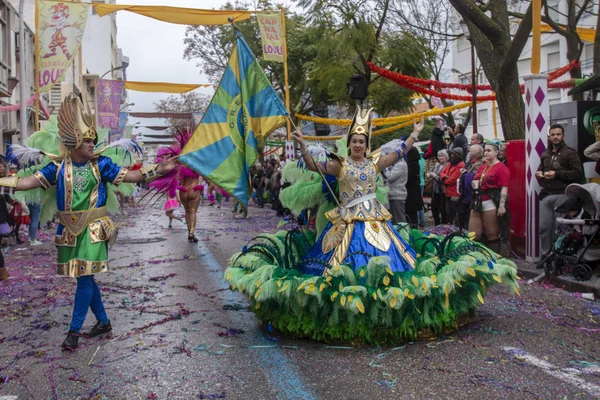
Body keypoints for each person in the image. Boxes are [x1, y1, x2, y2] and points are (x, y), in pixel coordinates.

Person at [224, 106, 519, 344]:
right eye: (354, 141)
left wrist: (415, 133)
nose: (356, 145)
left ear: (366, 144)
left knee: (391, 261)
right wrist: (302, 145)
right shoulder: (340, 163)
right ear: (349, 142)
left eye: (361, 141)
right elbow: (315, 166)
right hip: (346, 221)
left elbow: (399, 152)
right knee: (337, 263)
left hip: (376, 221)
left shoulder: (374, 162)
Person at [0, 94, 177, 350]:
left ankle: (73, 332)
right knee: (85, 279)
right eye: (87, 140)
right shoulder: (58, 168)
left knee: (84, 280)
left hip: (94, 230)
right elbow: (27, 182)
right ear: (73, 142)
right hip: (68, 231)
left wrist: (157, 170)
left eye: (93, 140)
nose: (92, 143)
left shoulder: (101, 165)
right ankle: (103, 322)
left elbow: (134, 176)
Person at [536, 124, 583, 259]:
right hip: (546, 194)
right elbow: (541, 170)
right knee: (544, 228)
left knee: (558, 229)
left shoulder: (570, 152)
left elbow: (577, 173)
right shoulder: (545, 153)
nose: (555, 137)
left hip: (563, 194)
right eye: (553, 134)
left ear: (563, 136)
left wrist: (556, 174)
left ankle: (558, 259)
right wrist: (540, 174)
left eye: (558, 134)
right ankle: (545, 258)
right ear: (549, 136)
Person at [469, 143, 510, 254]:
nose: (486, 153)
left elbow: (504, 188)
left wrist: (502, 205)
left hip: (491, 201)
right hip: (477, 200)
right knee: (474, 233)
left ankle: (494, 259)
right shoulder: (483, 166)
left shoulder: (501, 167)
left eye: (489, 150)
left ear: (496, 152)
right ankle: (477, 258)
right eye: (485, 150)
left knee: (492, 234)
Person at [458, 144, 484, 230]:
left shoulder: (478, 164)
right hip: (466, 194)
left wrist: (465, 174)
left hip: (471, 195)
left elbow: (474, 177)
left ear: (476, 154)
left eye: (471, 151)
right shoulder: (471, 163)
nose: (469, 152)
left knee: (466, 217)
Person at [440, 147, 465, 225]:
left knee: (453, 214)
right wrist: (444, 177)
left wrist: (444, 180)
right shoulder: (450, 163)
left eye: (454, 154)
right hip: (447, 192)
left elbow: (452, 180)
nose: (451, 156)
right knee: (448, 212)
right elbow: (441, 173)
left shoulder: (460, 165)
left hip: (454, 194)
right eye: (451, 154)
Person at [381, 157, 407, 224]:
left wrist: (383, 167)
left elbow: (390, 177)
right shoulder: (397, 164)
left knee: (399, 221)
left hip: (397, 195)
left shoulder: (400, 165)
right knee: (395, 221)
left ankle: (403, 234)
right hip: (393, 195)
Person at [427, 150, 449, 226]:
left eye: (442, 156)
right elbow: (429, 172)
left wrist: (433, 175)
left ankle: (443, 225)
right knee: (434, 208)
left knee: (443, 210)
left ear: (446, 157)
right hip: (435, 190)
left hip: (443, 190)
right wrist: (429, 174)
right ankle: (437, 224)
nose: (441, 157)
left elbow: (442, 179)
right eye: (439, 156)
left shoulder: (447, 166)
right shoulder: (437, 165)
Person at [405, 147, 424, 228]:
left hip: (411, 193)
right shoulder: (415, 163)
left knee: (412, 214)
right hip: (414, 191)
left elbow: (408, 177)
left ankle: (414, 227)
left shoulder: (412, 165)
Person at [0, 159, 12, 281]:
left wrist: (9, 222)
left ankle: (2, 273)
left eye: (2, 165)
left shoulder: (7, 183)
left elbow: (5, 205)